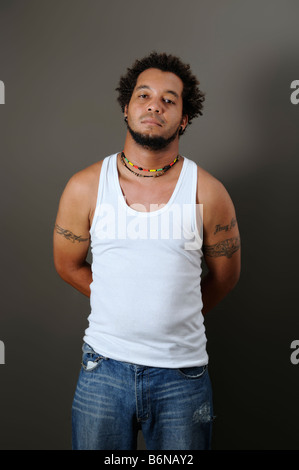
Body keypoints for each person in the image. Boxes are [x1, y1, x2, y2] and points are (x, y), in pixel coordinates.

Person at [53, 52, 241, 451]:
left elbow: (225, 276)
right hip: (103, 369)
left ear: (184, 118)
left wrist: (174, 310)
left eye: (169, 99)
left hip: (182, 378)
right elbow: (67, 264)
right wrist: (119, 300)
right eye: (144, 95)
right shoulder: (85, 186)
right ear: (127, 107)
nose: (155, 104)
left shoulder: (207, 191)